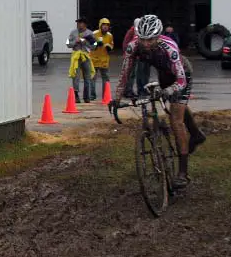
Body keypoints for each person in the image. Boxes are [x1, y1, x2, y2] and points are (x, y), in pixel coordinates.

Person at [113, 14, 206, 188]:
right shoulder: (133, 47)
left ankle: (183, 173)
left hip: (182, 74)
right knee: (176, 107)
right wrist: (116, 98)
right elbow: (124, 75)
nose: (146, 44)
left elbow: (181, 81)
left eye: (151, 40)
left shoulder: (169, 47)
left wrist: (169, 91)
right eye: (143, 39)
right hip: (163, 74)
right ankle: (197, 134)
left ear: (158, 36)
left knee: (176, 120)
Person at [67, 17, 97, 102]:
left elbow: (94, 45)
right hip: (76, 57)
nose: (79, 24)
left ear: (85, 24)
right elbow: (67, 43)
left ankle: (86, 96)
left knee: (87, 77)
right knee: (75, 77)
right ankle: (76, 96)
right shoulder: (73, 32)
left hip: (86, 56)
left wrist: (86, 42)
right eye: (78, 23)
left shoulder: (90, 33)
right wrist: (75, 42)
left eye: (81, 23)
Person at [90, 17, 114, 100]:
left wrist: (109, 48)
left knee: (106, 78)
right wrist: (96, 44)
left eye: (107, 25)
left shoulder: (110, 35)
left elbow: (111, 45)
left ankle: (105, 95)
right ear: (100, 25)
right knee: (92, 77)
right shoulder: (94, 34)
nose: (105, 27)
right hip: (94, 59)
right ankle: (92, 95)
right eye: (104, 25)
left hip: (104, 60)